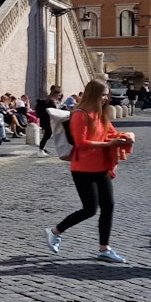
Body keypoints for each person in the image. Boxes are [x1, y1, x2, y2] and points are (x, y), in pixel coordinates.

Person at [44, 79, 134, 263]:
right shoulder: (80, 114)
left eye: (106, 95)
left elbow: (110, 133)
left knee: (108, 206)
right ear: (93, 94)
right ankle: (55, 231)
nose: (106, 98)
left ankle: (104, 249)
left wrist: (125, 137)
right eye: (103, 95)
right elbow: (81, 143)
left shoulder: (100, 113)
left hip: (101, 166)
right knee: (90, 209)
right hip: (83, 168)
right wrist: (108, 144)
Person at [35, 86, 64, 154]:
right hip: (48, 120)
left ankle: (42, 148)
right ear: (56, 94)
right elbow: (53, 111)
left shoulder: (49, 99)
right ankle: (41, 149)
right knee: (47, 134)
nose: (59, 97)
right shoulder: (51, 101)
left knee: (47, 134)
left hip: (46, 119)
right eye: (59, 95)